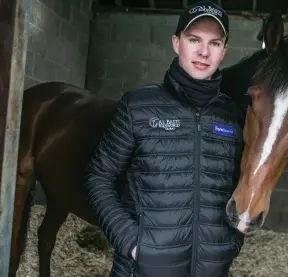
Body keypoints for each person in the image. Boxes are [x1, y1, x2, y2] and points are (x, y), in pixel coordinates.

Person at [83, 1, 245, 276]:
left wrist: (233, 242)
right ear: (176, 42)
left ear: (224, 51)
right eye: (194, 40)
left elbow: (241, 187)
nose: (204, 52)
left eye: (214, 43)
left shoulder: (232, 117)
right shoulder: (138, 106)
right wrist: (132, 243)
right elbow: (98, 177)